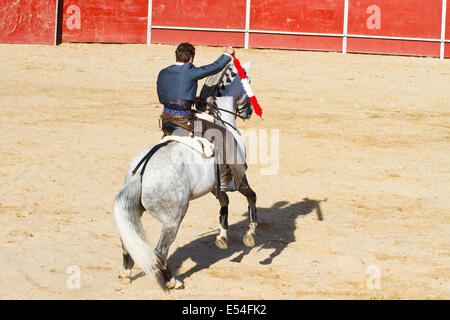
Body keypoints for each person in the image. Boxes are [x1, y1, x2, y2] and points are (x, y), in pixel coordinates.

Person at [156, 43, 247, 192]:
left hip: (166, 120)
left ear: (176, 55)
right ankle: (228, 181)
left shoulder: (163, 72)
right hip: (186, 122)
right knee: (224, 134)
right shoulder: (190, 71)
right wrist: (227, 54)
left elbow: (163, 97)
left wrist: (189, 99)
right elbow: (215, 67)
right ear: (191, 58)